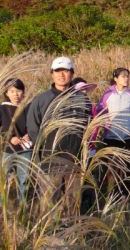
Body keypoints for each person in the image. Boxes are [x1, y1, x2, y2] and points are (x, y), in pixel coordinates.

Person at [26, 57, 93, 215]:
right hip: (51, 160)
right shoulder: (41, 100)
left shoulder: (82, 99)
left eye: (66, 71)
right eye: (57, 71)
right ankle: (49, 236)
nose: (61, 75)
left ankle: (72, 233)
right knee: (50, 202)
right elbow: (32, 127)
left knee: (73, 202)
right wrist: (43, 150)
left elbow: (88, 126)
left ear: (72, 74)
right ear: (51, 74)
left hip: (75, 160)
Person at [95, 68, 130, 195]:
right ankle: (112, 194)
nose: (126, 78)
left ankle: (126, 194)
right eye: (123, 76)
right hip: (111, 137)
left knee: (128, 167)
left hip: (128, 137)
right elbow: (101, 111)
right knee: (112, 167)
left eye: (127, 76)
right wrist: (107, 125)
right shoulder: (107, 94)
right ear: (115, 79)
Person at [1, 78, 32, 201]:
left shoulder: (28, 108)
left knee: (23, 181)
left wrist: (29, 135)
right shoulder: (2, 109)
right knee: (4, 180)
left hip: (25, 150)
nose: (15, 94)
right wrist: (9, 138)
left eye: (18, 91)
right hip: (7, 150)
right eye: (12, 91)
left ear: (23, 93)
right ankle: (2, 207)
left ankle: (21, 207)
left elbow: (35, 124)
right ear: (6, 93)